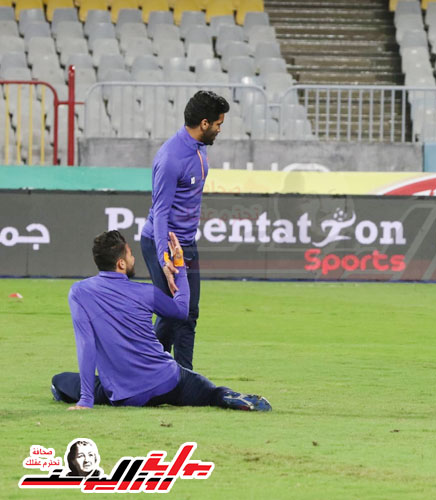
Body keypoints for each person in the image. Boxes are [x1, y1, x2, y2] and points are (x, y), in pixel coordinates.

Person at [51, 230, 271, 412]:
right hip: (166, 381)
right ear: (121, 263)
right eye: (130, 255)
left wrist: (86, 399)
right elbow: (182, 311)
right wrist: (180, 267)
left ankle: (71, 392)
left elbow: (86, 345)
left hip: (125, 394)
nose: (133, 259)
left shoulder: (79, 293)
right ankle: (227, 396)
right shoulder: (147, 292)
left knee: (59, 381)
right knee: (211, 393)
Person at [140, 90, 230, 370]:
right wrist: (164, 258)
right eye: (218, 124)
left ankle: (185, 378)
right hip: (162, 243)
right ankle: (145, 369)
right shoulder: (170, 158)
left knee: (189, 313)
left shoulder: (200, 147)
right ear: (204, 123)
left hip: (186, 244)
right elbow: (161, 212)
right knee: (172, 313)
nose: (219, 129)